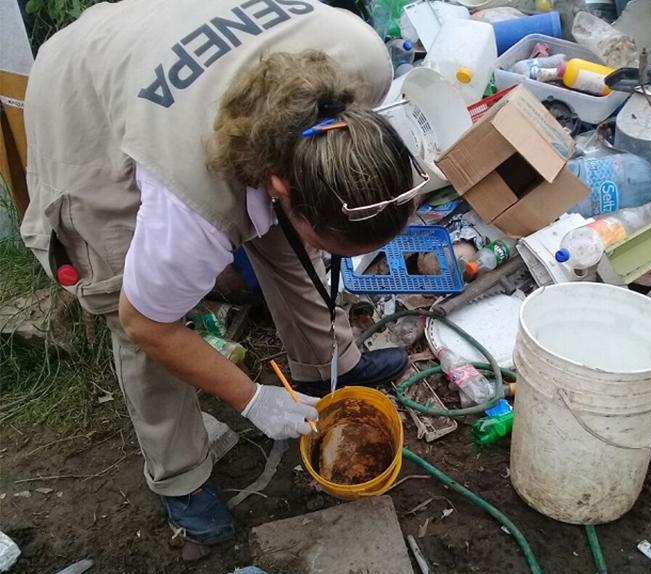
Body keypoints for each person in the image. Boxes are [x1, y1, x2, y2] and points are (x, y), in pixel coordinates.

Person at [20, 0, 424, 546]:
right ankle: (180, 475)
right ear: (279, 188)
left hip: (176, 46)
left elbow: (307, 204)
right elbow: (146, 323)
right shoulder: (193, 206)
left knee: (289, 238)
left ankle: (327, 369)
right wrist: (250, 397)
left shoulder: (363, 62)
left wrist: (315, 235)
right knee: (131, 301)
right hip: (86, 91)